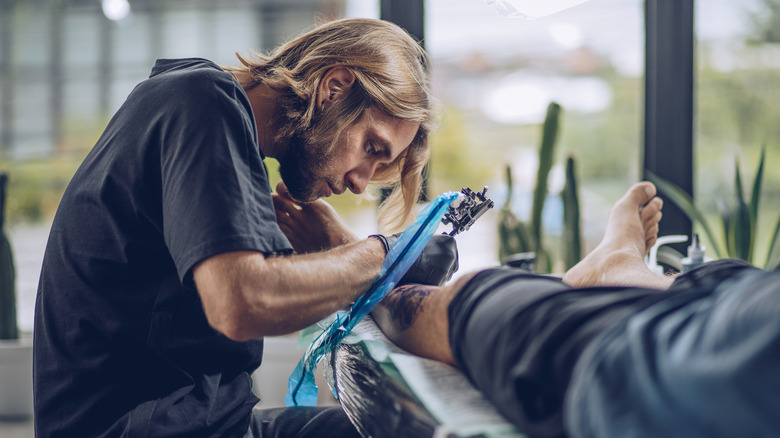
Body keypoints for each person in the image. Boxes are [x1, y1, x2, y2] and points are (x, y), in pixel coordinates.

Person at [34, 18, 458, 438]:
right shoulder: (203, 103)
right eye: (371, 148)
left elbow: (268, 299)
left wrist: (340, 247)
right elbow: (241, 304)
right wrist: (384, 253)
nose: (360, 182)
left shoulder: (208, 111)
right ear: (334, 89)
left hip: (202, 423)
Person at [372, 181, 780, 438]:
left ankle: (622, 269)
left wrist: (364, 271)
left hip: (667, 367)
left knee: (476, 295)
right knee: (733, 281)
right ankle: (628, 273)